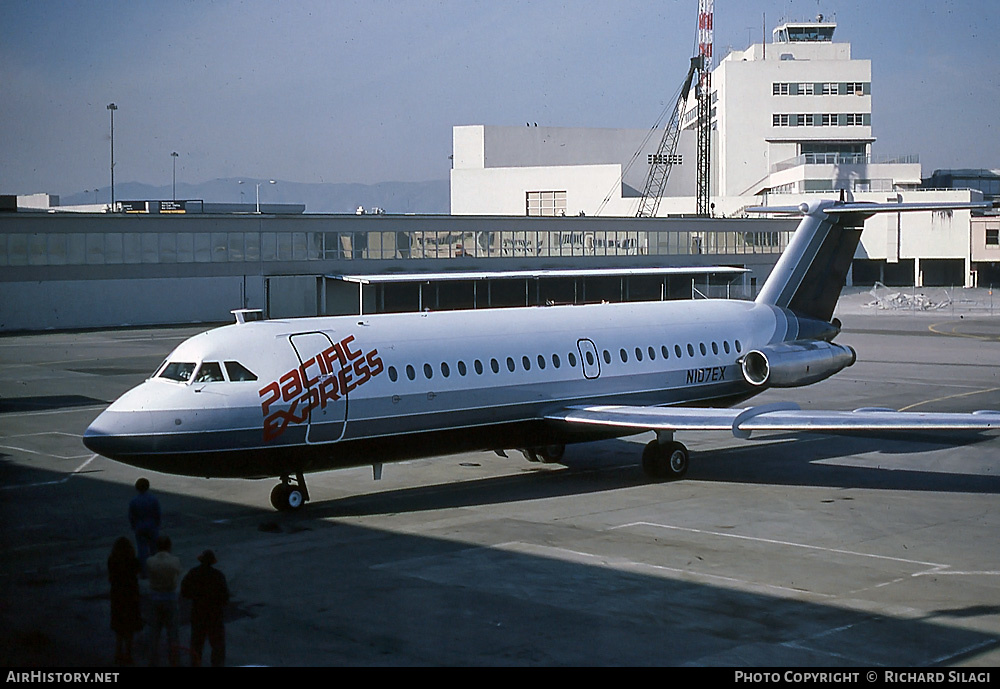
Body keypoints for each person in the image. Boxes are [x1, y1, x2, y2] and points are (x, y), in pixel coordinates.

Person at [181, 550, 231, 667]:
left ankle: (195, 663)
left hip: (198, 613)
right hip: (215, 614)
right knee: (217, 644)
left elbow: (185, 592)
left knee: (197, 643)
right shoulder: (218, 575)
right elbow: (225, 597)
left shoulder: (193, 573)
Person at [145, 535, 182, 666]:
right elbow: (178, 574)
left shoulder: (150, 561)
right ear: (169, 546)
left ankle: (153, 660)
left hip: (155, 597)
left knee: (154, 632)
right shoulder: (175, 560)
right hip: (170, 597)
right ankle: (174, 659)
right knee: (173, 632)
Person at [107, 537, 142, 665]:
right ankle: (128, 653)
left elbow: (111, 577)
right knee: (130, 626)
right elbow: (137, 572)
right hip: (130, 595)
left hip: (117, 595)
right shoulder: (133, 560)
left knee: (119, 626)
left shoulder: (112, 560)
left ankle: (118, 652)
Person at [128, 478, 160, 574]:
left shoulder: (134, 501)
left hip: (140, 526)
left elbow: (131, 516)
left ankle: (144, 571)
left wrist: (134, 526)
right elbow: (157, 514)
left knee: (142, 550)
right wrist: (157, 524)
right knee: (154, 549)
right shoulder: (153, 499)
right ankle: (155, 570)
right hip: (152, 526)